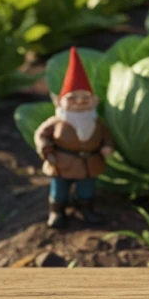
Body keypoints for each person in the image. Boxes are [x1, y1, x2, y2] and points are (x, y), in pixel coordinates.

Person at [33, 48, 114, 229]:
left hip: (89, 163)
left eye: (84, 97)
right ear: (60, 101)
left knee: (87, 189)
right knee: (59, 189)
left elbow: (106, 137)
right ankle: (57, 212)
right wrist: (44, 145)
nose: (79, 101)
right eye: (73, 98)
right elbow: (41, 134)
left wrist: (107, 147)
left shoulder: (97, 122)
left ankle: (86, 210)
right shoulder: (56, 122)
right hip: (62, 163)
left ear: (94, 101)